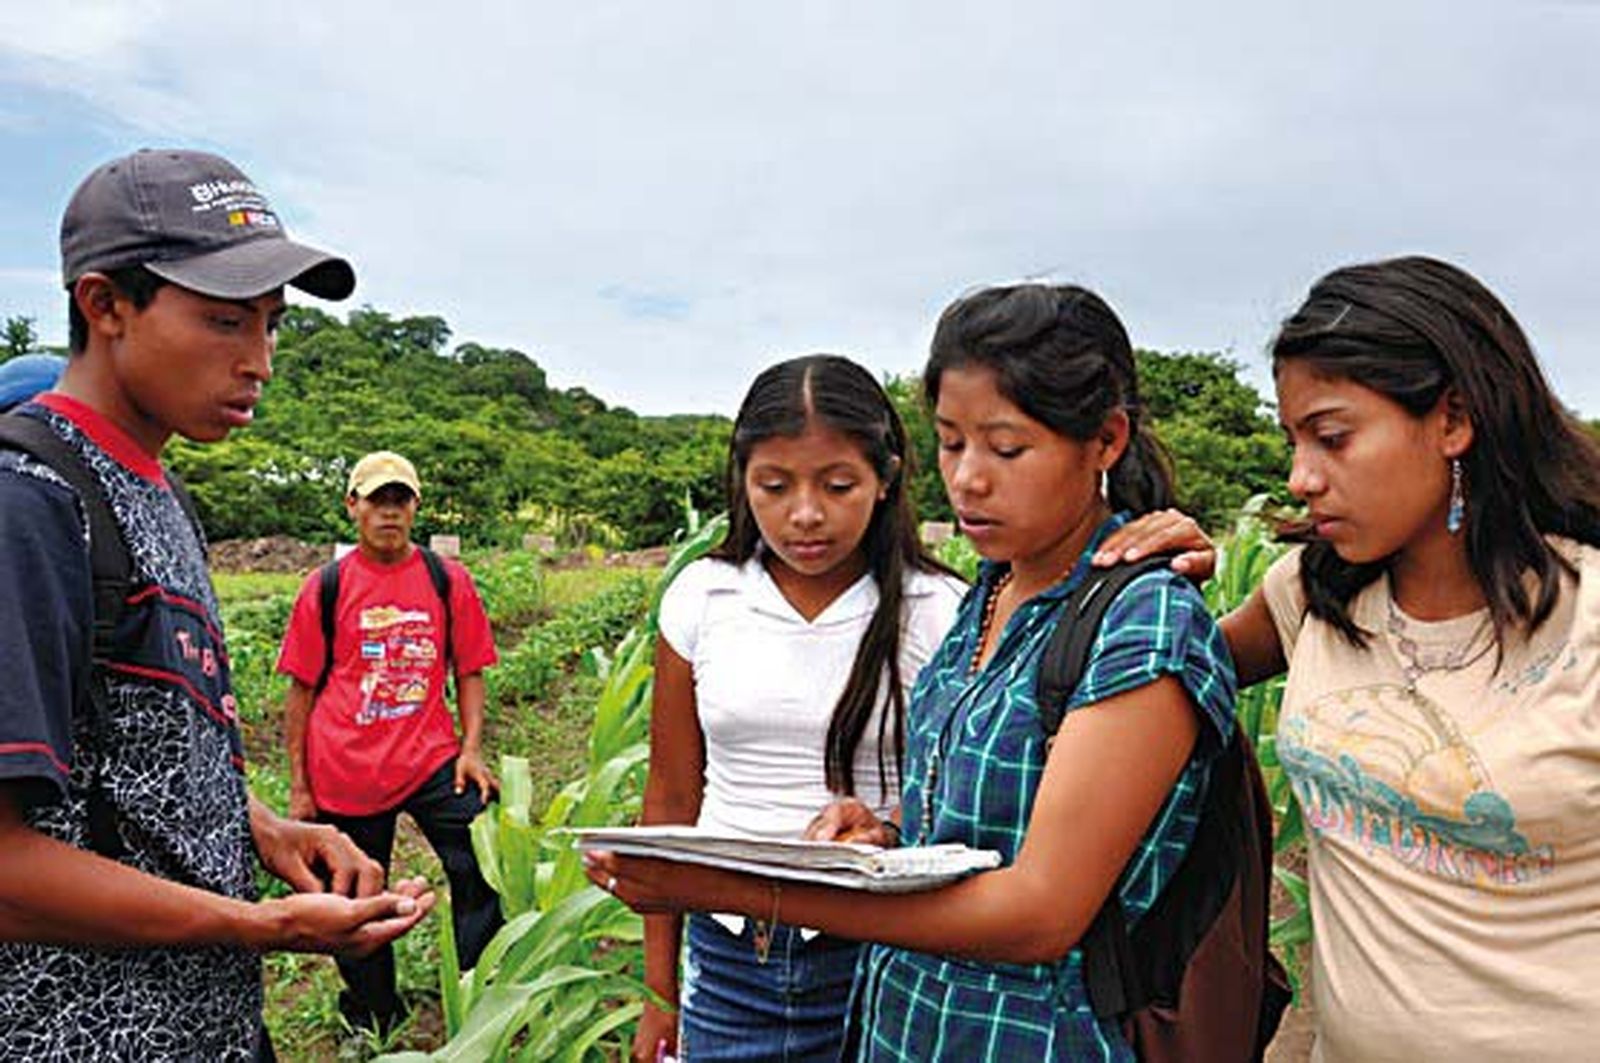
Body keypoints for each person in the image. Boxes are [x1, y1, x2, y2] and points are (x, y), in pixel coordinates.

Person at [590, 284, 1239, 1060]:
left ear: (1105, 440)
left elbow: (1040, 911)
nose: (967, 478)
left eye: (1005, 448)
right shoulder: (994, 592)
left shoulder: (1139, 618)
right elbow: (971, 827)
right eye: (951, 441)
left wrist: (727, 889)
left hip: (1026, 1038)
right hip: (899, 1020)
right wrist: (886, 840)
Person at [1092, 255, 1600, 1061]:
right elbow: (1144, 696)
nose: (1300, 478)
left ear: (1455, 418)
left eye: (1332, 437)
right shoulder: (1312, 595)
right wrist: (1153, 591)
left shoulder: (1589, 618)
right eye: (1293, 439)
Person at [0, 148, 434, 1062]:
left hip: (208, 1027)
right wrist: (261, 924)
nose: (261, 360)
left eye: (272, 325)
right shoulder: (29, 502)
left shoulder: (155, 492)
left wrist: (266, 828)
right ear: (105, 305)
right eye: (226, 321)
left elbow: (130, 758)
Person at [636, 354, 965, 1062]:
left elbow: (962, 800)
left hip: (885, 950)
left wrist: (887, 827)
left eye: (838, 484)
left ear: (886, 477)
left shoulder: (940, 610)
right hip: (729, 955)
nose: (805, 513)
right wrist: (658, 993)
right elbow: (670, 796)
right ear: (742, 481)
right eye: (774, 486)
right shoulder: (704, 595)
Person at [276, 449, 504, 1033]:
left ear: (415, 507)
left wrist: (471, 750)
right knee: (356, 894)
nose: (389, 511)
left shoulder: (445, 578)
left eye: (400, 499)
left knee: (485, 861)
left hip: (432, 760)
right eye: (377, 499)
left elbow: (470, 670)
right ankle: (375, 1012)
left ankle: (480, 988)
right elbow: (300, 693)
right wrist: (301, 790)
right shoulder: (326, 587)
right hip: (345, 769)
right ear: (353, 506)